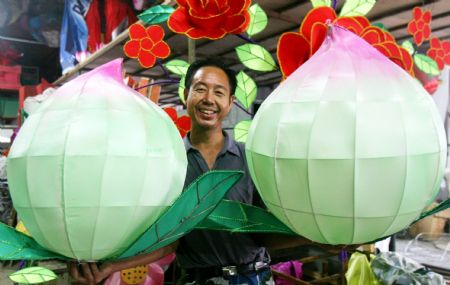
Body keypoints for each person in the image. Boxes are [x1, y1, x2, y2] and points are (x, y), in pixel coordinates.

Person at [69, 59, 314, 285]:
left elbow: (263, 234)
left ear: (230, 102)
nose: (209, 99)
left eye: (219, 92)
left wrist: (317, 237)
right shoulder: (168, 163)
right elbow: (168, 240)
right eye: (200, 89)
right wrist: (111, 266)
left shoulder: (250, 159)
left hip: (253, 277)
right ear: (186, 95)